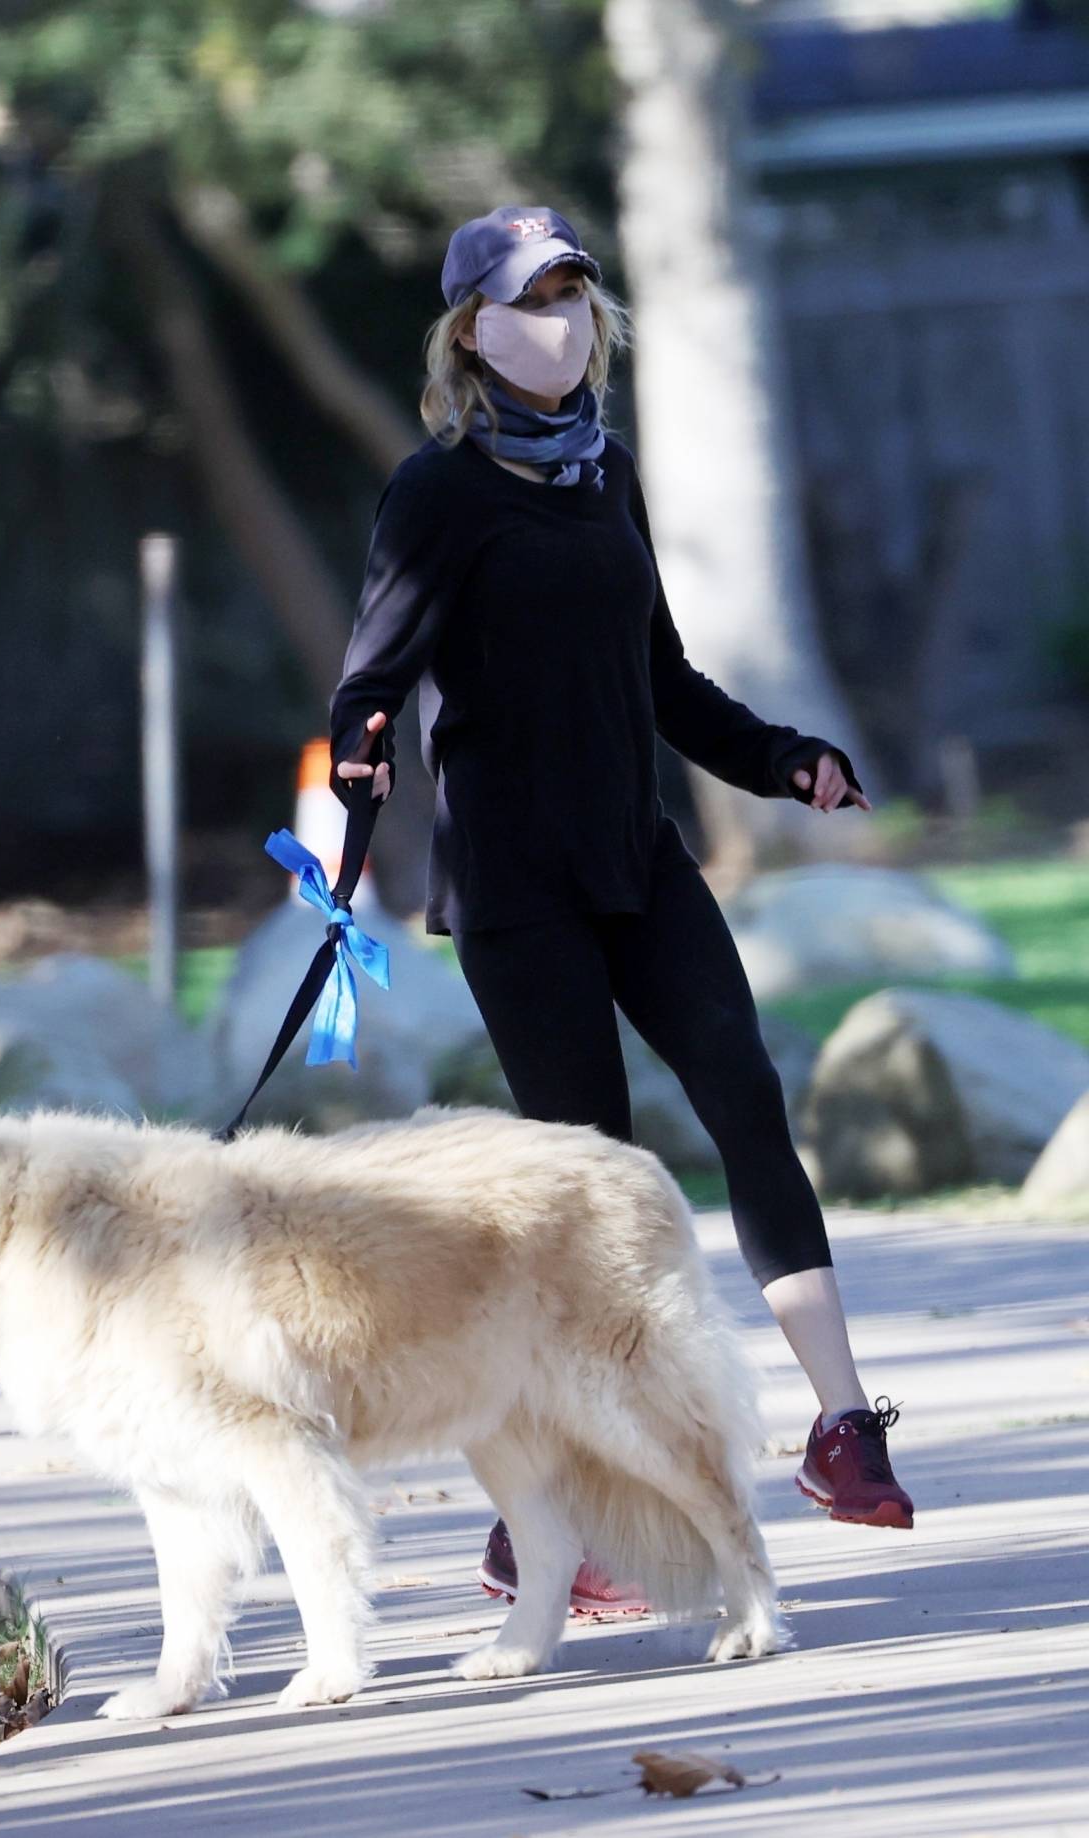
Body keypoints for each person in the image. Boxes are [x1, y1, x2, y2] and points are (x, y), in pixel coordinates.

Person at [327, 204, 913, 1617]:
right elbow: (370, 680)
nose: (564, 322)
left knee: (745, 1092)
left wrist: (782, 757)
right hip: (519, 890)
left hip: (637, 858)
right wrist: (357, 758)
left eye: (580, 296)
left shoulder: (608, 477)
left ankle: (842, 1429)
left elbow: (661, 682)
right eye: (533, 300)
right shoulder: (439, 491)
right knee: (592, 1192)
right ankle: (549, 1518)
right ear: (472, 328)